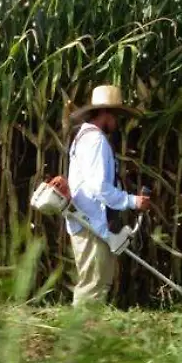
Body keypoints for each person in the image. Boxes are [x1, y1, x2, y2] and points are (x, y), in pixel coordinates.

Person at [65, 85, 151, 306]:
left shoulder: (84, 137)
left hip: (89, 222)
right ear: (105, 113)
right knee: (93, 287)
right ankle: (81, 328)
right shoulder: (95, 140)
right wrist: (132, 201)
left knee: (97, 284)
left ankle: (89, 327)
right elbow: (99, 187)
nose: (117, 122)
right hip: (90, 224)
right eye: (116, 115)